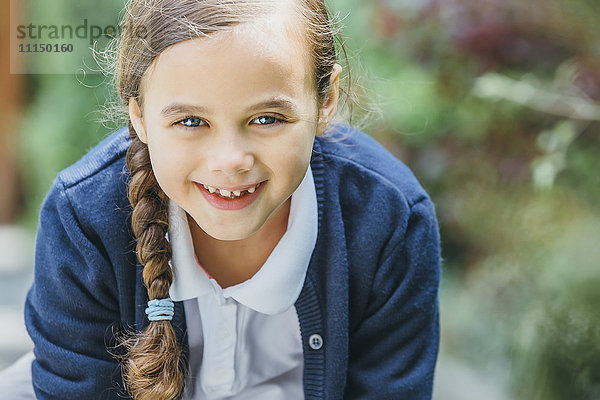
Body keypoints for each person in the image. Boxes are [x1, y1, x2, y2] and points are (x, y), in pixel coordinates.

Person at [19, 0, 442, 399]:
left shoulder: (390, 219)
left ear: (326, 100)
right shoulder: (83, 219)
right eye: (190, 121)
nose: (230, 161)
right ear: (139, 116)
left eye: (266, 119)